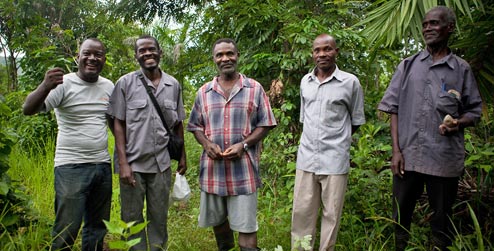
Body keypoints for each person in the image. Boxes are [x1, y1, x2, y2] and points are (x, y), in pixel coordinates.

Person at [378, 6, 482, 250]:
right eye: (425, 24)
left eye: (434, 24)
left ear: (449, 28)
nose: (428, 29)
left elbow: (474, 111)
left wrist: (458, 123)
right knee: (400, 219)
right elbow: (392, 108)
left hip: (443, 160)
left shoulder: (461, 69)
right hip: (408, 157)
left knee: (441, 222)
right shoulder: (408, 66)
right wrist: (396, 151)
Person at [23, 38, 113, 251]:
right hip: (70, 167)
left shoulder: (109, 86)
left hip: (102, 165)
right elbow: (28, 109)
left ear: (104, 59)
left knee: (97, 228)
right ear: (78, 56)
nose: (92, 58)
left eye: (97, 54)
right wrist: (45, 86)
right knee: (67, 228)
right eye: (87, 53)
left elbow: (114, 124)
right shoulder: (64, 84)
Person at [187, 38, 277, 251]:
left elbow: (266, 124)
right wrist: (207, 144)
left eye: (229, 54)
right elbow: (195, 125)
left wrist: (243, 145)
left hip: (243, 172)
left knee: (247, 228)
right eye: (220, 55)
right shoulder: (204, 92)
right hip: (213, 172)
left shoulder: (254, 88)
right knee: (219, 224)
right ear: (214, 59)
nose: (225, 58)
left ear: (237, 55)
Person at [107, 35, 187, 251]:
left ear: (160, 52)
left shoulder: (173, 85)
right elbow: (118, 124)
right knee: (131, 218)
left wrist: (182, 156)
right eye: (142, 50)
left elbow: (178, 123)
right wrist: (123, 163)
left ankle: (158, 248)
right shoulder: (125, 83)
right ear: (136, 56)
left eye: (151, 49)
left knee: (159, 216)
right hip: (133, 165)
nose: (147, 53)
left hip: (161, 164)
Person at [291, 34, 366, 251]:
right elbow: (305, 119)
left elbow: (356, 121)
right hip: (306, 158)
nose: (322, 54)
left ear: (336, 52)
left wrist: (337, 140)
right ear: (312, 54)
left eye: (328, 49)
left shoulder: (350, 82)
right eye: (317, 50)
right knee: (301, 211)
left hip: (334, 159)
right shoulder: (306, 81)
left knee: (331, 215)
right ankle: (300, 249)